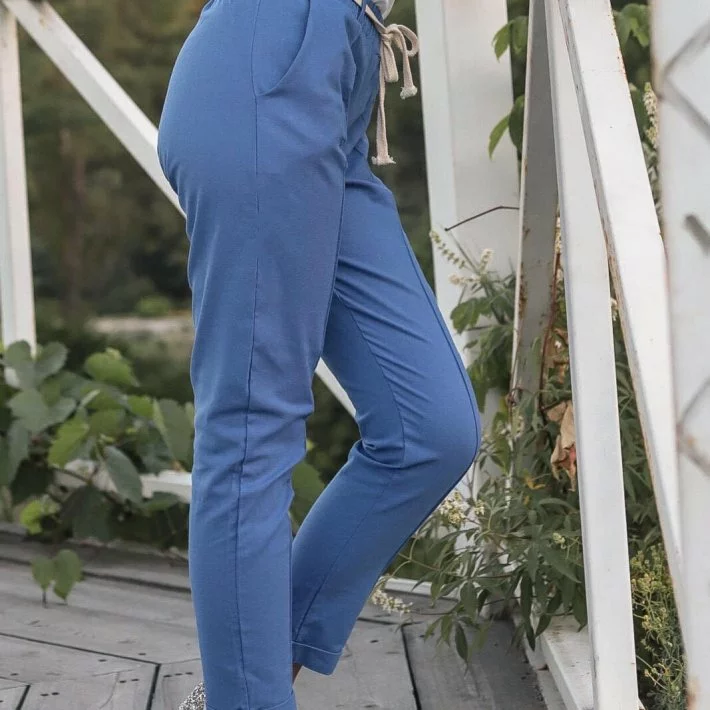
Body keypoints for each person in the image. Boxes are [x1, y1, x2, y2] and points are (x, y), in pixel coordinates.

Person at [156, 0, 481, 707]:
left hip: (339, 79)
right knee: (250, 435)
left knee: (430, 430)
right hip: (270, 61)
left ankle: (248, 683)